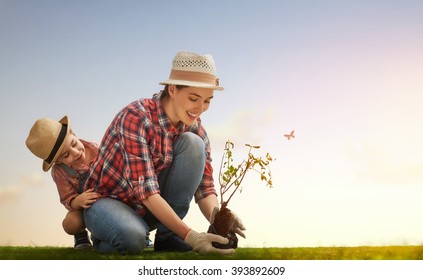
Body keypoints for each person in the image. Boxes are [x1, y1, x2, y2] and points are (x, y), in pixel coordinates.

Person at [84, 51, 246, 254]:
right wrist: (191, 237)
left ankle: (167, 236)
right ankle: (105, 236)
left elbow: (205, 188)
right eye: (194, 98)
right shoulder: (136, 117)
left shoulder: (196, 129)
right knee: (133, 240)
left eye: (207, 100)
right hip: (106, 203)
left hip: (148, 211)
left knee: (194, 143)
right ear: (172, 90)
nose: (200, 108)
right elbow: (147, 192)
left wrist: (220, 216)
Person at [26, 116, 101, 249]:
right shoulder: (60, 172)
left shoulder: (97, 149)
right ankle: (80, 235)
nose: (76, 152)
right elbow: (67, 199)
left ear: (73, 133)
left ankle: (104, 231)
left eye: (74, 144)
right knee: (71, 223)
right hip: (82, 205)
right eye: (66, 155)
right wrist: (79, 201)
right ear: (58, 161)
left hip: (108, 197)